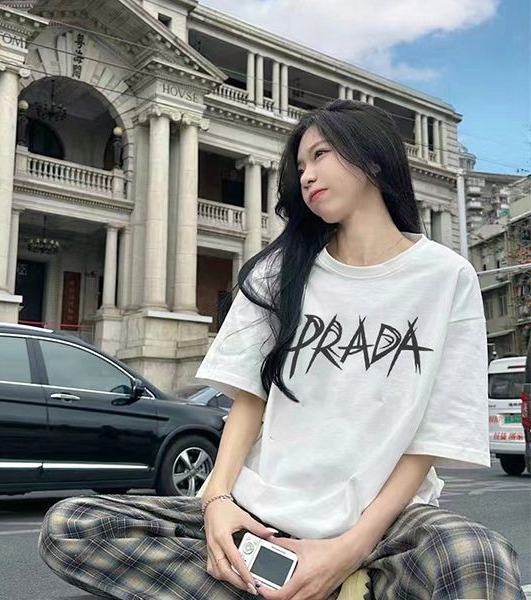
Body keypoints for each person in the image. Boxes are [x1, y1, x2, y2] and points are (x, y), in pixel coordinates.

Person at [38, 100, 525, 600]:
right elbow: (249, 401)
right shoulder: (279, 272)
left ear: (373, 159)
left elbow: (429, 438)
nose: (307, 175)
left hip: (386, 526)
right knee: (71, 525)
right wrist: (217, 500)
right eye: (300, 166)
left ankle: (307, 583)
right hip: (264, 514)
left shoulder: (446, 277)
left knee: (477, 558)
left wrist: (350, 548)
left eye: (321, 155)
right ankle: (313, 587)